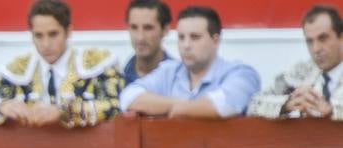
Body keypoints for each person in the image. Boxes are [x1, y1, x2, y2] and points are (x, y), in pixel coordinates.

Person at [0, 0, 123, 128]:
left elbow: (116, 106)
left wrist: (64, 112)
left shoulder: (96, 66)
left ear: (68, 31)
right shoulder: (18, 70)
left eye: (53, 34)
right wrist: (1, 106)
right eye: (38, 36)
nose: (46, 44)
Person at [120, 6, 260, 118]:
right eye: (181, 37)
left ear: (215, 40)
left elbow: (223, 106)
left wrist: (170, 109)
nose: (186, 45)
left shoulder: (241, 73)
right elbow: (128, 97)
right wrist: (180, 105)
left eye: (195, 37)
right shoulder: (169, 71)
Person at [248, 4, 343, 119]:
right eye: (309, 41)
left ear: (341, 37)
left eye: (323, 38)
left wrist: (332, 110)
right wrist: (287, 104)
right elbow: (253, 104)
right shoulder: (302, 71)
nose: (316, 49)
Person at [124, 0, 173, 82]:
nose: (140, 37)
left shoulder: (183, 79)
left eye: (148, 28)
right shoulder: (116, 79)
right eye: (134, 27)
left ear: (165, 30)